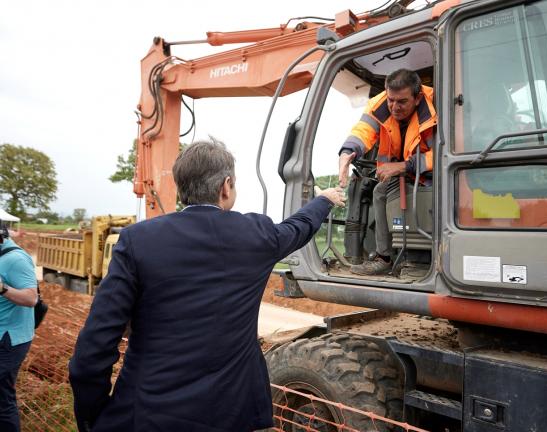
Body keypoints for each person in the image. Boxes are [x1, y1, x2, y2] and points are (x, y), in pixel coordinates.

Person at [68, 139, 345, 432]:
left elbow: (93, 349)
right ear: (226, 186)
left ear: (181, 187)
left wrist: (94, 419)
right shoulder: (257, 235)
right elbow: (298, 227)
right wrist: (324, 200)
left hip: (149, 415)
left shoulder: (137, 241)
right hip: (230, 416)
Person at [337, 68, 437, 275]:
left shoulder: (435, 106)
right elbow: (363, 131)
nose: (394, 107)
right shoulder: (379, 105)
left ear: (417, 98)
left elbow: (446, 153)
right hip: (408, 172)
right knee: (380, 191)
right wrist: (347, 152)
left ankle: (432, 255)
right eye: (391, 100)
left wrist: (404, 166)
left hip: (435, 175)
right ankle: (384, 257)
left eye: (402, 102)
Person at [0, 220, 38, 432]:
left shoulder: (15, 259)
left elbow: (31, 298)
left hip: (9, 340)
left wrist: (2, 288)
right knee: (2, 397)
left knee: (3, 399)